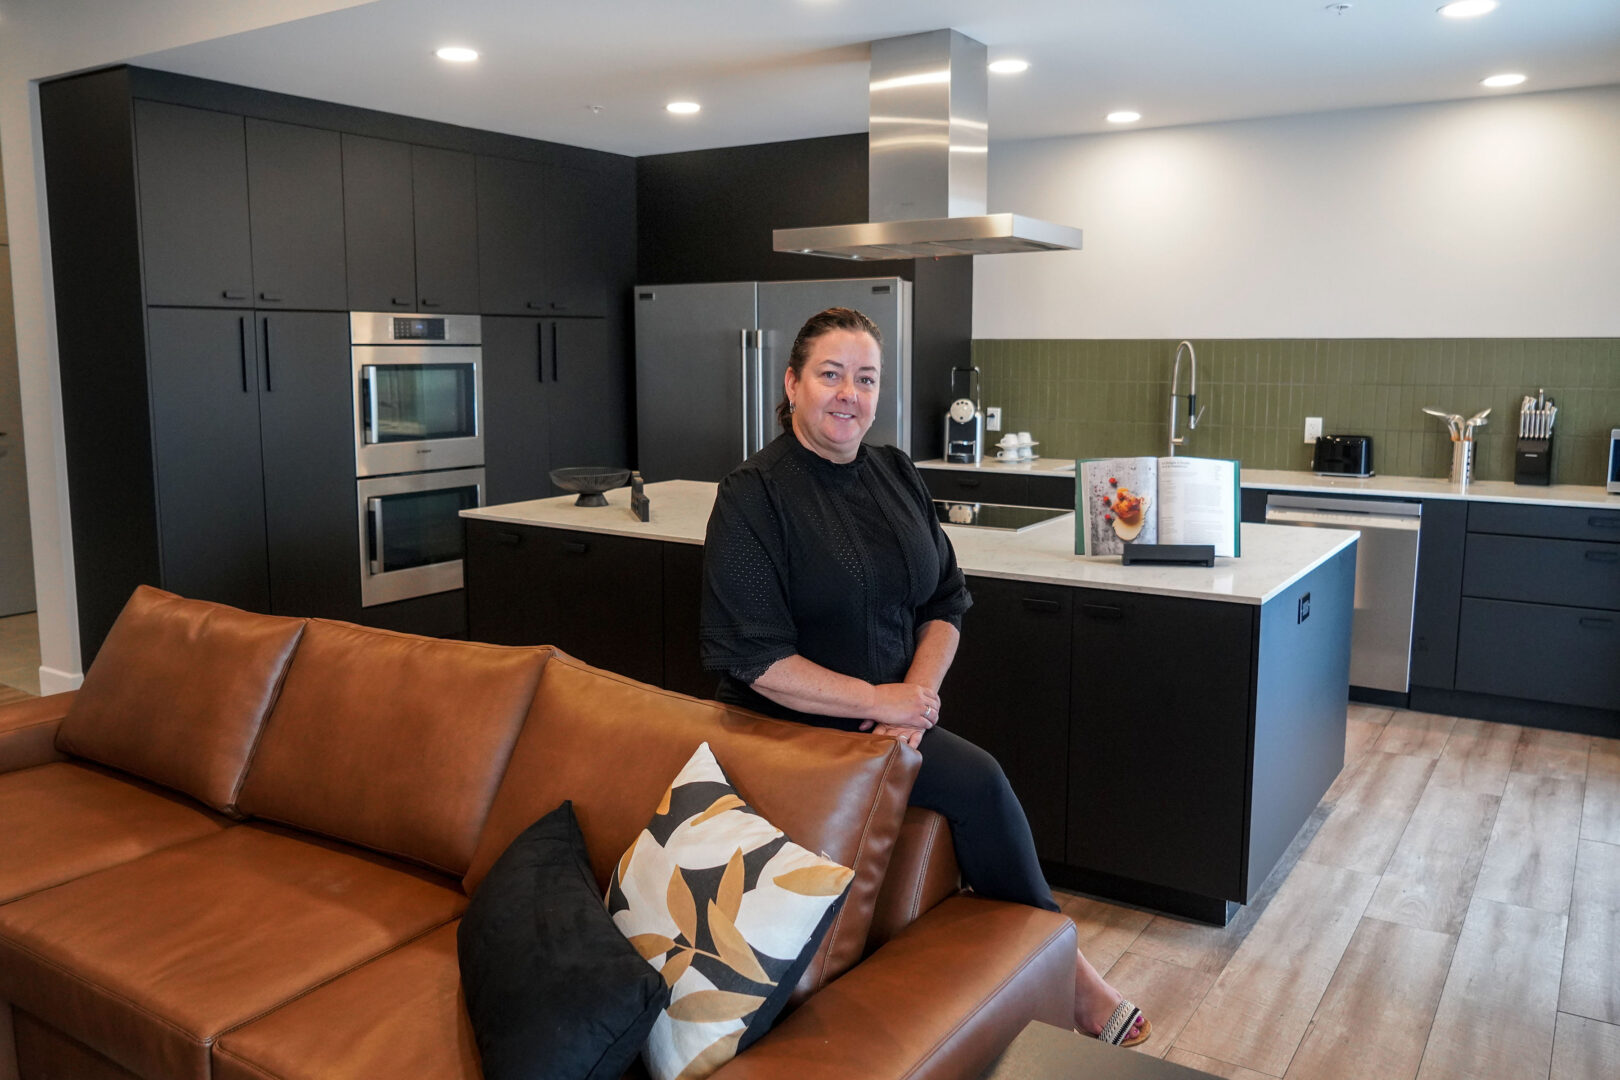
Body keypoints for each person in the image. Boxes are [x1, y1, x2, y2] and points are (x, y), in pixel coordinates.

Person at [698, 306, 1151, 1048]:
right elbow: (754, 659)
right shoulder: (755, 495)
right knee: (978, 782)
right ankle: (1075, 981)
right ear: (793, 383)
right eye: (831, 374)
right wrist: (882, 700)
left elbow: (947, 598)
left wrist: (916, 704)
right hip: (790, 726)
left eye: (866, 379)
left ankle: (1057, 969)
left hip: (892, 716)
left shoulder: (893, 471)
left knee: (977, 781)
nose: (849, 394)